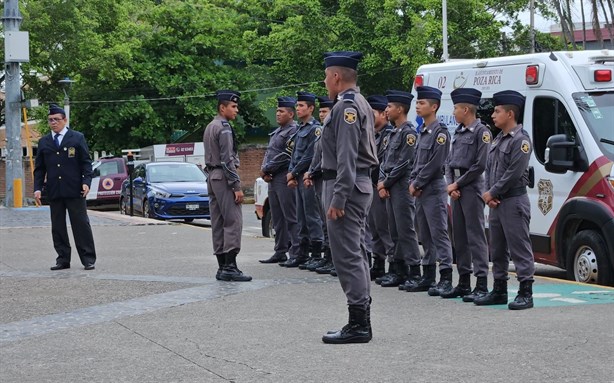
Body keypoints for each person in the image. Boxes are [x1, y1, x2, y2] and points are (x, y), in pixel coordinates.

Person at [319, 51, 378, 344]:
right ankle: (360, 317)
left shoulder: (347, 107)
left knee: (347, 256)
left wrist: (338, 199)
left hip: (347, 188)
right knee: (355, 252)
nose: (325, 81)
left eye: (327, 75)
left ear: (336, 76)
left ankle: (358, 324)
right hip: (355, 186)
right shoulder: (356, 103)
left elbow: (346, 157)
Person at [475, 90, 535, 310]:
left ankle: (526, 292)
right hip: (498, 202)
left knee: (519, 247)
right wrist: (488, 193)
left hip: (513, 201)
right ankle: (499, 289)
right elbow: (488, 170)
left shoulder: (521, 140)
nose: (492, 114)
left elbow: (514, 172)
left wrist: (492, 193)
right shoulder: (498, 138)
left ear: (510, 114)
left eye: (497, 111)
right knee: (497, 248)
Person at [34, 104, 97, 271]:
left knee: (81, 225)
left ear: (65, 120)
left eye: (56, 119)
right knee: (58, 226)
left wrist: (86, 182)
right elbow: (40, 168)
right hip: (55, 190)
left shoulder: (77, 138)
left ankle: (88, 258)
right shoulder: (44, 142)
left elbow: (86, 163)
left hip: (75, 189)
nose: (53, 122)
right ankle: (63, 259)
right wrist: (37, 188)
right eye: (50, 120)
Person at [441, 88, 491, 301]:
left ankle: (480, 283)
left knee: (475, 236)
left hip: (471, 188)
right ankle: (463, 280)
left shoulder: (482, 132)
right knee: (459, 236)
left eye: (455, 108)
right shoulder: (459, 132)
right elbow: (449, 162)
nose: (453, 112)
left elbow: (480, 165)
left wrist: (457, 184)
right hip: (457, 188)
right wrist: (451, 184)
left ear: (466, 109)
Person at [407, 86, 454, 296]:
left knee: (439, 233)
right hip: (420, 188)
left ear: (434, 107)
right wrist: (413, 181)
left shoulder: (440, 133)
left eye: (422, 103)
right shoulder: (422, 132)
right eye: (417, 103)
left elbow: (436, 163)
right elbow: (416, 162)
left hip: (433, 187)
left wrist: (417, 183)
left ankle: (445, 277)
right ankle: (428, 275)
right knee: (424, 233)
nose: (417, 106)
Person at [203, 90, 251, 282]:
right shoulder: (223, 127)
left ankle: (222, 267)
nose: (236, 110)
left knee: (218, 223)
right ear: (222, 108)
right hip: (223, 177)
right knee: (233, 221)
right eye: (233, 106)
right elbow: (227, 160)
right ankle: (230, 266)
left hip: (212, 176)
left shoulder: (210, 126)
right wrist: (236, 186)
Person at [376, 91, 422, 289]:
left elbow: (404, 163)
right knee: (393, 230)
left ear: (400, 109)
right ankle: (397, 268)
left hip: (401, 187)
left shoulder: (408, 133)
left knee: (406, 230)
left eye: (389, 106)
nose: (386, 110)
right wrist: (382, 182)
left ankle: (414, 270)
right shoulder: (391, 134)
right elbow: (383, 161)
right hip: (389, 185)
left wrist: (385, 183)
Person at [281, 91, 324, 268]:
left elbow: (309, 156)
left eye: (301, 106)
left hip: (309, 177)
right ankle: (303, 253)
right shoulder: (300, 129)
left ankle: (316, 254)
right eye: (297, 106)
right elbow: (294, 154)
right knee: (301, 217)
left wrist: (294, 172)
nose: (298, 109)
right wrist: (291, 173)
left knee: (311, 216)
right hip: (298, 176)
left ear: (311, 108)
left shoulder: (315, 129)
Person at [259, 97, 300, 264]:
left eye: (281, 111)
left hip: (284, 176)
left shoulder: (293, 131)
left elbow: (286, 156)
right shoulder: (277, 132)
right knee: (277, 217)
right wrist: (264, 171)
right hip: (272, 178)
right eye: (277, 111)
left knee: (291, 216)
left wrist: (268, 169)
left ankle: (296, 252)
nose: (277, 114)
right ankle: (280, 250)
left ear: (291, 114)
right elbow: (269, 153)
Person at [303, 95, 335, 274]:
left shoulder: (331, 132)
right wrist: (310, 173)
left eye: (325, 111)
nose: (322, 114)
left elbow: (324, 158)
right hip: (317, 178)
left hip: (326, 178)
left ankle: (333, 259)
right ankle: (328, 257)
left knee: (329, 222)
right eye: (321, 111)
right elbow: (315, 157)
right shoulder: (322, 131)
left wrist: (311, 172)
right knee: (324, 222)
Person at [365, 95, 394, 281]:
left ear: (383, 114)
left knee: (386, 229)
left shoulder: (388, 134)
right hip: (371, 185)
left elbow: (383, 161)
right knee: (374, 227)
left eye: (372, 113)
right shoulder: (372, 134)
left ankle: (392, 265)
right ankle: (378, 263)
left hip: (382, 186)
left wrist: (382, 182)